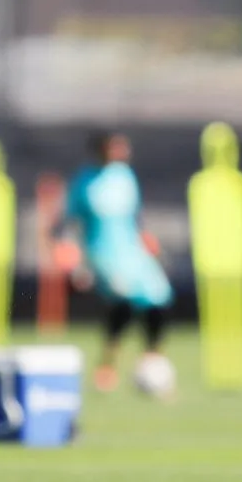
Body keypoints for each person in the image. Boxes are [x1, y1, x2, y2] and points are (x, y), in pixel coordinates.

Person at [59, 131, 173, 392]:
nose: (122, 153)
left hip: (132, 249)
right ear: (101, 150)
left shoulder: (125, 176)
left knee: (159, 295)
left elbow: (135, 215)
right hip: (103, 251)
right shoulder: (84, 181)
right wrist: (71, 256)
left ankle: (152, 357)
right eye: (116, 148)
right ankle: (108, 363)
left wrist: (146, 238)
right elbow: (69, 220)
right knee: (124, 298)